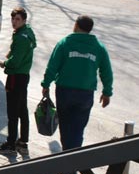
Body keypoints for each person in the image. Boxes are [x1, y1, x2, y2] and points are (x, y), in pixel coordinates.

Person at [41, 15, 113, 151]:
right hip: (85, 93)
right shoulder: (99, 47)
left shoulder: (64, 43)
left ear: (76, 26)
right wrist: (107, 93)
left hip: (65, 91)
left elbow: (52, 66)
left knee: (66, 125)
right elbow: (106, 72)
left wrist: (46, 84)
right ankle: (72, 160)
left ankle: (67, 156)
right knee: (78, 128)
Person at [0, 7, 37, 155]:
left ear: (24, 20)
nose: (14, 22)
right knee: (22, 110)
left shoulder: (20, 37)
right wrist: (11, 52)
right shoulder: (27, 32)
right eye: (13, 19)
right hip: (24, 76)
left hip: (15, 77)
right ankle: (23, 142)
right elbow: (19, 51)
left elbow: (15, 61)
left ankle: (11, 144)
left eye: (17, 19)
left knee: (12, 112)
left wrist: (4, 63)